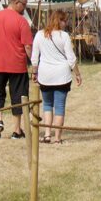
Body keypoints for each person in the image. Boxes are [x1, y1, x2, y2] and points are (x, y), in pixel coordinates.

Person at [0, 0, 34, 139]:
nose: (25, 8)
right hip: (17, 65)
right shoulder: (21, 21)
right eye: (24, 4)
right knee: (19, 96)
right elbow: (28, 46)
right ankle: (17, 130)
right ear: (16, 2)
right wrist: (35, 64)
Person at [30, 10, 82, 144]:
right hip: (62, 76)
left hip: (45, 76)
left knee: (47, 105)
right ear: (60, 21)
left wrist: (34, 72)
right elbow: (71, 58)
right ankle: (57, 138)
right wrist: (77, 74)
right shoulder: (64, 36)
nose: (66, 23)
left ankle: (47, 135)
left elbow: (34, 57)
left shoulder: (39, 34)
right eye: (65, 21)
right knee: (59, 106)